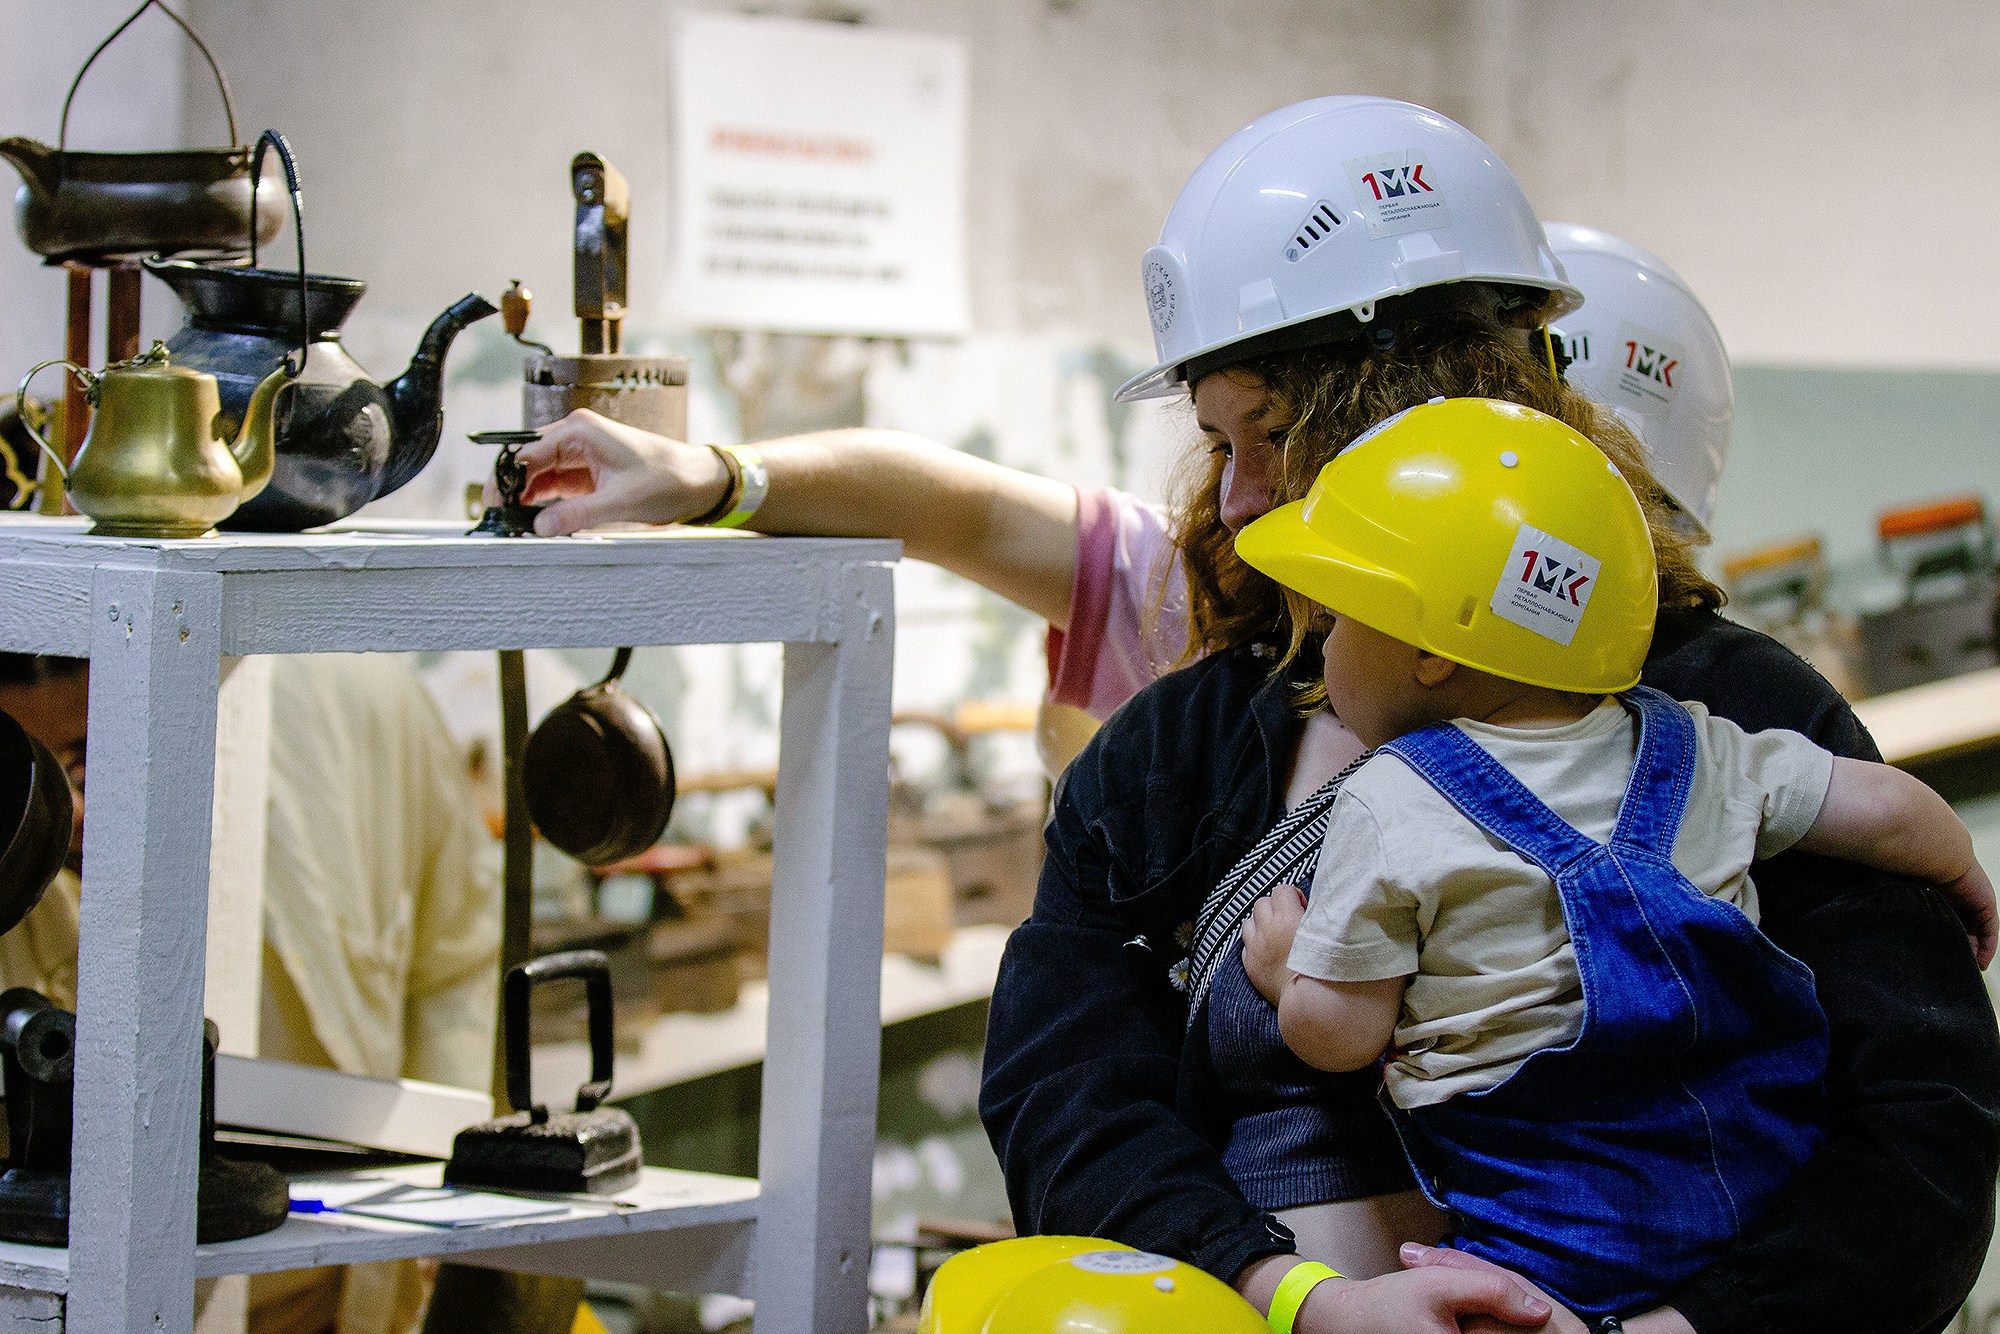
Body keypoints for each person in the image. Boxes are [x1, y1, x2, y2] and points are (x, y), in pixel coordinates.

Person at [509, 96, 2000, 1334]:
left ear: (1413, 402)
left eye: (1267, 435)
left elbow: (1916, 1145)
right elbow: (1067, 1090)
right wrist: (1287, 1294)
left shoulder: (1738, 712)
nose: (1229, 496)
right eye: (1215, 441)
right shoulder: (1187, 747)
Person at [1229, 396, 1990, 1321]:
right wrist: (1960, 873)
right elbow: (1881, 807)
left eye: (1338, 622)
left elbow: (1345, 1035)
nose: (1326, 650)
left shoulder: (1389, 804)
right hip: (1766, 1191)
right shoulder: (1703, 748)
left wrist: (1285, 974)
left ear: (1430, 649)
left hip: (1555, 1239)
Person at [0, 652, 498, 1334]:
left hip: (336, 1293)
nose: (75, 810)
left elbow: (457, 960)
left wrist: (448, 1196)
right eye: (33, 767)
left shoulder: (355, 697)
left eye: (92, 755)